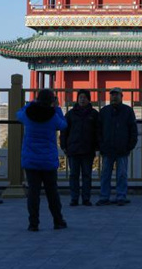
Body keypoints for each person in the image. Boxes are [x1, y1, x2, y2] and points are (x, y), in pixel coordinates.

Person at [16, 88, 68, 231]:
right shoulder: (53, 116)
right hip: (48, 160)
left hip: (31, 159)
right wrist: (57, 108)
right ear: (52, 100)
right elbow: (63, 125)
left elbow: (18, 114)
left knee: (33, 192)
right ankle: (58, 220)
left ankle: (33, 223)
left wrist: (31, 103)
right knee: (52, 192)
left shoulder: (28, 114)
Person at [96, 87, 138, 206]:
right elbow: (98, 130)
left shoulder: (128, 111)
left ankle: (121, 196)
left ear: (121, 96)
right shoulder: (104, 111)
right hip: (107, 148)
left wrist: (130, 145)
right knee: (105, 174)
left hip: (122, 148)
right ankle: (104, 197)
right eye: (112, 95)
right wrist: (101, 145)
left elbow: (133, 130)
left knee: (122, 174)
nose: (114, 97)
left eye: (117, 95)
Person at [61, 89, 99, 207]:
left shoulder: (94, 114)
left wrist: (97, 146)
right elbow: (64, 131)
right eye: (80, 97)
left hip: (88, 149)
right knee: (74, 175)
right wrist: (64, 145)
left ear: (89, 99)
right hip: (73, 149)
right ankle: (74, 198)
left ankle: (86, 198)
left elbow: (98, 132)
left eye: (84, 97)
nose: (82, 99)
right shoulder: (70, 114)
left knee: (87, 175)